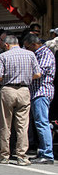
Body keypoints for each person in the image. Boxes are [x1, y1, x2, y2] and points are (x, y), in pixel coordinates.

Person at [0, 35, 41, 165]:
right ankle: (22, 156)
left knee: (4, 124)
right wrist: (25, 76)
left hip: (8, 90)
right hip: (24, 90)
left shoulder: (3, 56)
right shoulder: (30, 55)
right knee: (22, 125)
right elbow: (38, 74)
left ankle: (4, 155)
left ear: (7, 45)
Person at [23, 33, 56, 164]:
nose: (26, 50)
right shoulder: (37, 54)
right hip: (35, 92)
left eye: (27, 47)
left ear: (34, 44)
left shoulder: (45, 54)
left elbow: (39, 73)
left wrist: (22, 75)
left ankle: (47, 154)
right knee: (39, 123)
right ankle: (42, 151)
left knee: (42, 122)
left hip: (42, 92)